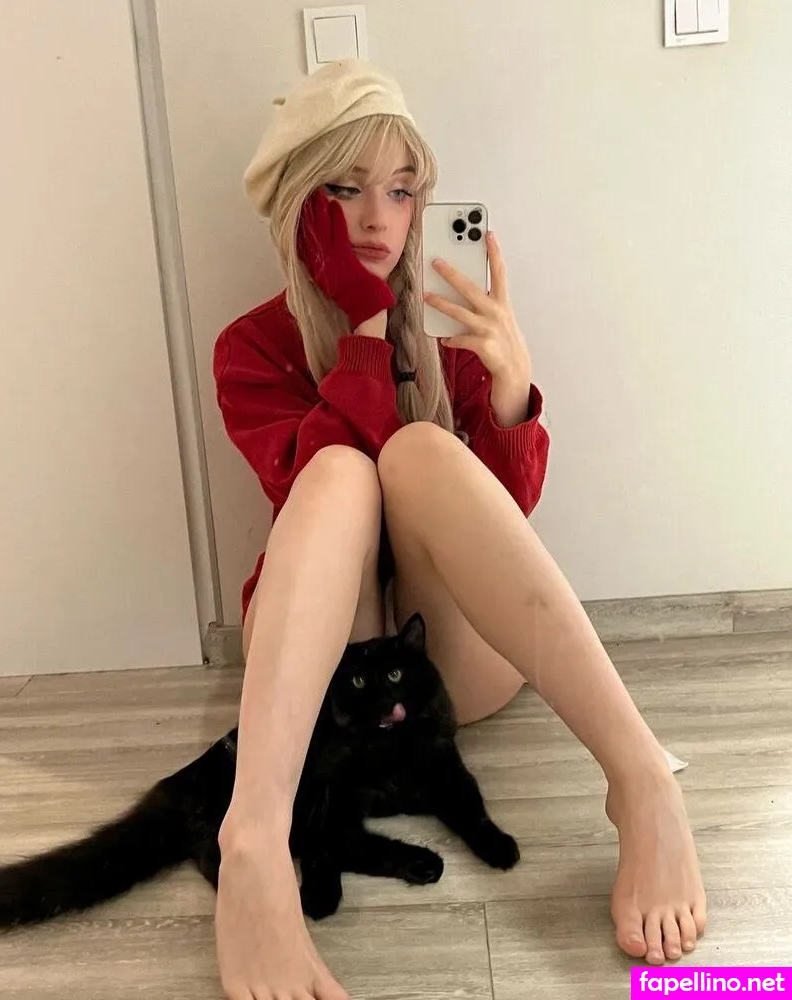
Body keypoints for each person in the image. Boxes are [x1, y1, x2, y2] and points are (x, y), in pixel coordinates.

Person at [211, 59, 706, 1000]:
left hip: (448, 662)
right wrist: (362, 334)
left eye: (403, 191)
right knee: (341, 470)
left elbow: (502, 526)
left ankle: (642, 778)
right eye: (344, 190)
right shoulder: (251, 347)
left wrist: (510, 387)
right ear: (296, 209)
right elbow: (301, 480)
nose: (378, 219)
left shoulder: (445, 328)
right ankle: (256, 839)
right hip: (329, 672)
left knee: (423, 455)